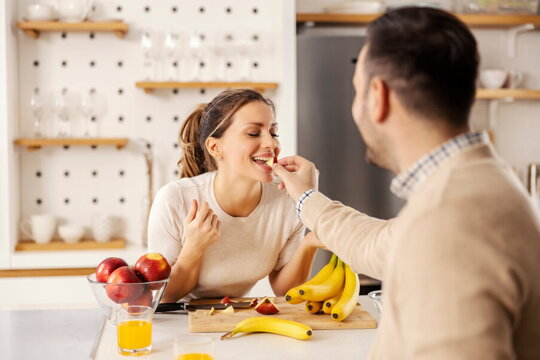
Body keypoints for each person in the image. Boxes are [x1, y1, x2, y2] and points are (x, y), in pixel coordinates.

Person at [272, 7, 540, 359]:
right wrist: (307, 197)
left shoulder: (452, 219)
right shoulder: (471, 186)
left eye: (357, 91)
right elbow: (378, 242)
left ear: (379, 97)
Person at [147, 89, 322, 302]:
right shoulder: (175, 199)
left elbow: (286, 291)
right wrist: (194, 248)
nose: (272, 144)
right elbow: (162, 297)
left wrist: (311, 239)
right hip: (178, 323)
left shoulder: (288, 197)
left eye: (273, 133)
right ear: (215, 147)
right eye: (253, 133)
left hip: (232, 317)